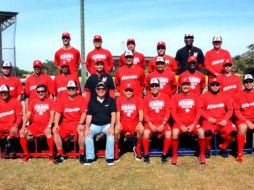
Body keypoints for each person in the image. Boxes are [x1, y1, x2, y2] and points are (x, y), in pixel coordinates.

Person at [171, 77, 205, 165]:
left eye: (187, 84)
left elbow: (199, 112)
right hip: (180, 123)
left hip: (192, 123)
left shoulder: (196, 97)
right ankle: (175, 155)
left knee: (201, 132)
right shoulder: (175, 97)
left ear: (190, 86)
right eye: (183, 84)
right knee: (174, 132)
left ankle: (201, 155)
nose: (185, 86)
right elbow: (173, 113)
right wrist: (181, 125)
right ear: (180, 86)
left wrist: (194, 124)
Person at [53, 80, 88, 164]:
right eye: (69, 88)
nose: (71, 90)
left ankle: (82, 153)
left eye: (73, 88)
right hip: (66, 123)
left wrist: (81, 123)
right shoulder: (61, 99)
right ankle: (61, 154)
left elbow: (84, 113)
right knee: (55, 130)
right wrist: (56, 124)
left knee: (81, 129)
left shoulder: (82, 99)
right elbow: (58, 113)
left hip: (77, 122)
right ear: (67, 89)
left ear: (76, 89)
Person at [200, 78, 236, 158]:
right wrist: (208, 118)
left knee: (233, 131)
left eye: (217, 85)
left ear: (220, 86)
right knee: (207, 132)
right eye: (213, 85)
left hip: (222, 120)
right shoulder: (204, 96)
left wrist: (225, 119)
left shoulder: (226, 96)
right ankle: (207, 149)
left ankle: (223, 147)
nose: (215, 86)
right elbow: (200, 110)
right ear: (210, 85)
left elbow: (230, 110)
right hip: (208, 120)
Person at [19, 84, 55, 163]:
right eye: (38, 92)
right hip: (35, 125)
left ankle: (51, 154)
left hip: (46, 125)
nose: (40, 93)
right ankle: (26, 154)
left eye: (42, 91)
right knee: (22, 132)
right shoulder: (33, 102)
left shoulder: (50, 101)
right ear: (36, 92)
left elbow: (52, 115)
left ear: (46, 92)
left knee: (48, 132)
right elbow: (28, 115)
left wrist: (49, 126)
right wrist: (23, 126)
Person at [84, 82, 116, 166]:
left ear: (106, 90)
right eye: (99, 89)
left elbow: (113, 115)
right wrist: (87, 127)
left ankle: (109, 157)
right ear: (96, 90)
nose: (101, 90)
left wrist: (112, 127)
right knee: (88, 134)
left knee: (111, 134)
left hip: (107, 124)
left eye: (103, 89)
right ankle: (90, 158)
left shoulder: (111, 100)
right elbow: (89, 116)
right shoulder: (91, 101)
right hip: (95, 125)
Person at [142, 78, 171, 163]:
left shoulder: (165, 97)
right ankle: (146, 155)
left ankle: (165, 154)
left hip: (162, 122)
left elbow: (168, 112)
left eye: (156, 85)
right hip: (151, 123)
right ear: (150, 87)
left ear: (159, 86)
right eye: (152, 85)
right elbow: (145, 114)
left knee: (169, 133)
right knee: (146, 133)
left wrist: (163, 124)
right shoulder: (146, 98)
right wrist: (151, 125)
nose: (154, 87)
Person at [115, 82, 144, 161]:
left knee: (141, 129)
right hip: (123, 123)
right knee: (116, 129)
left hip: (134, 123)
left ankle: (137, 147)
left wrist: (140, 122)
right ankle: (117, 149)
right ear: (123, 91)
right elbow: (118, 113)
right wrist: (118, 123)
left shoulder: (138, 99)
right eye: (127, 90)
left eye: (130, 90)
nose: (128, 92)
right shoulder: (119, 99)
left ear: (133, 91)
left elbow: (140, 112)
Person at [233, 74, 254, 163]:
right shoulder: (238, 95)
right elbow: (236, 112)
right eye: (246, 82)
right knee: (242, 127)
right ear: (243, 83)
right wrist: (247, 122)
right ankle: (240, 153)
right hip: (243, 119)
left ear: (253, 82)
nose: (248, 83)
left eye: (250, 81)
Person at [0, 84, 22, 158]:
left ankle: (9, 149)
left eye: (5, 92)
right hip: (1, 126)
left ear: (9, 92)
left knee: (14, 131)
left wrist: (15, 126)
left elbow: (19, 117)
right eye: (1, 92)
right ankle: (8, 148)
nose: (3, 94)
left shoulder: (15, 102)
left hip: (11, 126)